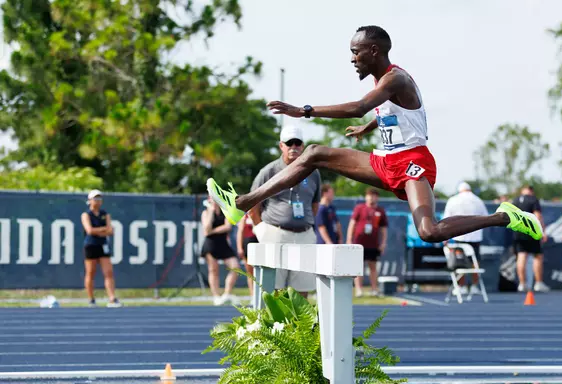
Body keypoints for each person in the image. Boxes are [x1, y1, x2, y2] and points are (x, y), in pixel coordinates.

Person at [205, 26, 542, 248]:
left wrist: (303, 110)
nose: (352, 59)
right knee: (313, 153)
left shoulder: (395, 80)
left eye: (356, 51)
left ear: (375, 50)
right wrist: (368, 128)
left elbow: (359, 106)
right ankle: (243, 204)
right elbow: (392, 113)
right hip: (387, 161)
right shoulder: (382, 82)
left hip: (414, 164)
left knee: (430, 232)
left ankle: (504, 216)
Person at [249, 125, 322, 298]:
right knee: (275, 287)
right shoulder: (269, 171)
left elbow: (315, 204)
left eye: (297, 143)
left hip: (304, 234)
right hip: (275, 233)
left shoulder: (313, 172)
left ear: (303, 146)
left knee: (302, 287)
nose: (293, 147)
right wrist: (261, 230)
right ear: (281, 145)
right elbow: (253, 204)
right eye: (289, 143)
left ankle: (299, 325)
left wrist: (306, 223)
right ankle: (277, 325)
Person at [442, 182, 489, 295]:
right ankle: (474, 286)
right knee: (474, 260)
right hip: (475, 236)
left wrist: (445, 238)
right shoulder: (478, 200)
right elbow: (486, 217)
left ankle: (460, 286)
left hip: (459, 235)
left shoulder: (453, 200)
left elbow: (446, 219)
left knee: (459, 262)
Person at [80, 189, 121, 308]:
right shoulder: (86, 215)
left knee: (108, 272)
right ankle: (91, 299)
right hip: (91, 245)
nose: (97, 201)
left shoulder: (105, 214)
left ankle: (112, 298)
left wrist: (100, 231)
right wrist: (103, 230)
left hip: (103, 245)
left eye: (99, 199)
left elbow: (111, 230)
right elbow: (90, 230)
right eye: (95, 199)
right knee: (91, 272)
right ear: (89, 201)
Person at [347, 188, 388, 297]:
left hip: (373, 244)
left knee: (373, 266)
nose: (371, 198)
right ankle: (359, 290)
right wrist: (349, 240)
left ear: (377, 197)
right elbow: (352, 224)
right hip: (359, 243)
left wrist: (383, 243)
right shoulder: (359, 208)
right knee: (358, 267)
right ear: (366, 197)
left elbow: (383, 229)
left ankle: (374, 289)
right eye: (369, 195)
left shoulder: (380, 211)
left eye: (373, 195)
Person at [200, 196, 240, 306]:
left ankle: (226, 294)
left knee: (235, 267)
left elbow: (227, 227)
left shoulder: (225, 212)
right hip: (211, 244)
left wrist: (212, 231)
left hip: (223, 243)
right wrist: (211, 212)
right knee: (213, 270)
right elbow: (206, 228)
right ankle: (216, 296)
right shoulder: (205, 213)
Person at [511, 185, 550, 292]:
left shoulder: (515, 200)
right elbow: (537, 215)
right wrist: (542, 231)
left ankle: (522, 283)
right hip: (531, 231)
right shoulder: (533, 199)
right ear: (531, 191)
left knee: (521, 256)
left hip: (518, 231)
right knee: (537, 256)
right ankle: (538, 283)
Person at [236, 209, 260, 298]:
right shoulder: (244, 217)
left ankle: (260, 294)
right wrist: (239, 247)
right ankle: (252, 295)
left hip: (259, 244)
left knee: (260, 271)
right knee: (250, 272)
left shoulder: (262, 215)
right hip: (248, 245)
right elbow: (240, 232)